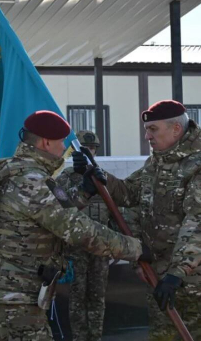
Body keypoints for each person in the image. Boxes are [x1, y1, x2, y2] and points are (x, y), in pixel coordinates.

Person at [0, 111, 150, 341]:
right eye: (62, 142)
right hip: (16, 300)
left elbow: (49, 210)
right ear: (46, 142)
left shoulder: (9, 170)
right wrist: (136, 249)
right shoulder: (32, 181)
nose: (64, 147)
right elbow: (80, 231)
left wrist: (84, 190)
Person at [83, 100, 201, 341]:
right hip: (161, 279)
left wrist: (177, 274)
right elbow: (128, 193)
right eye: (147, 129)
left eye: (153, 129)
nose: (147, 136)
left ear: (175, 128)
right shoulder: (155, 163)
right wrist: (101, 179)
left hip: (200, 285)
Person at [56, 130, 110, 341]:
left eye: (92, 149)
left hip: (100, 248)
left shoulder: (102, 177)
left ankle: (95, 337)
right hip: (75, 249)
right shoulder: (65, 178)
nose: (89, 153)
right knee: (77, 298)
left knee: (97, 297)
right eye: (84, 149)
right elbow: (60, 209)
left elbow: (115, 211)